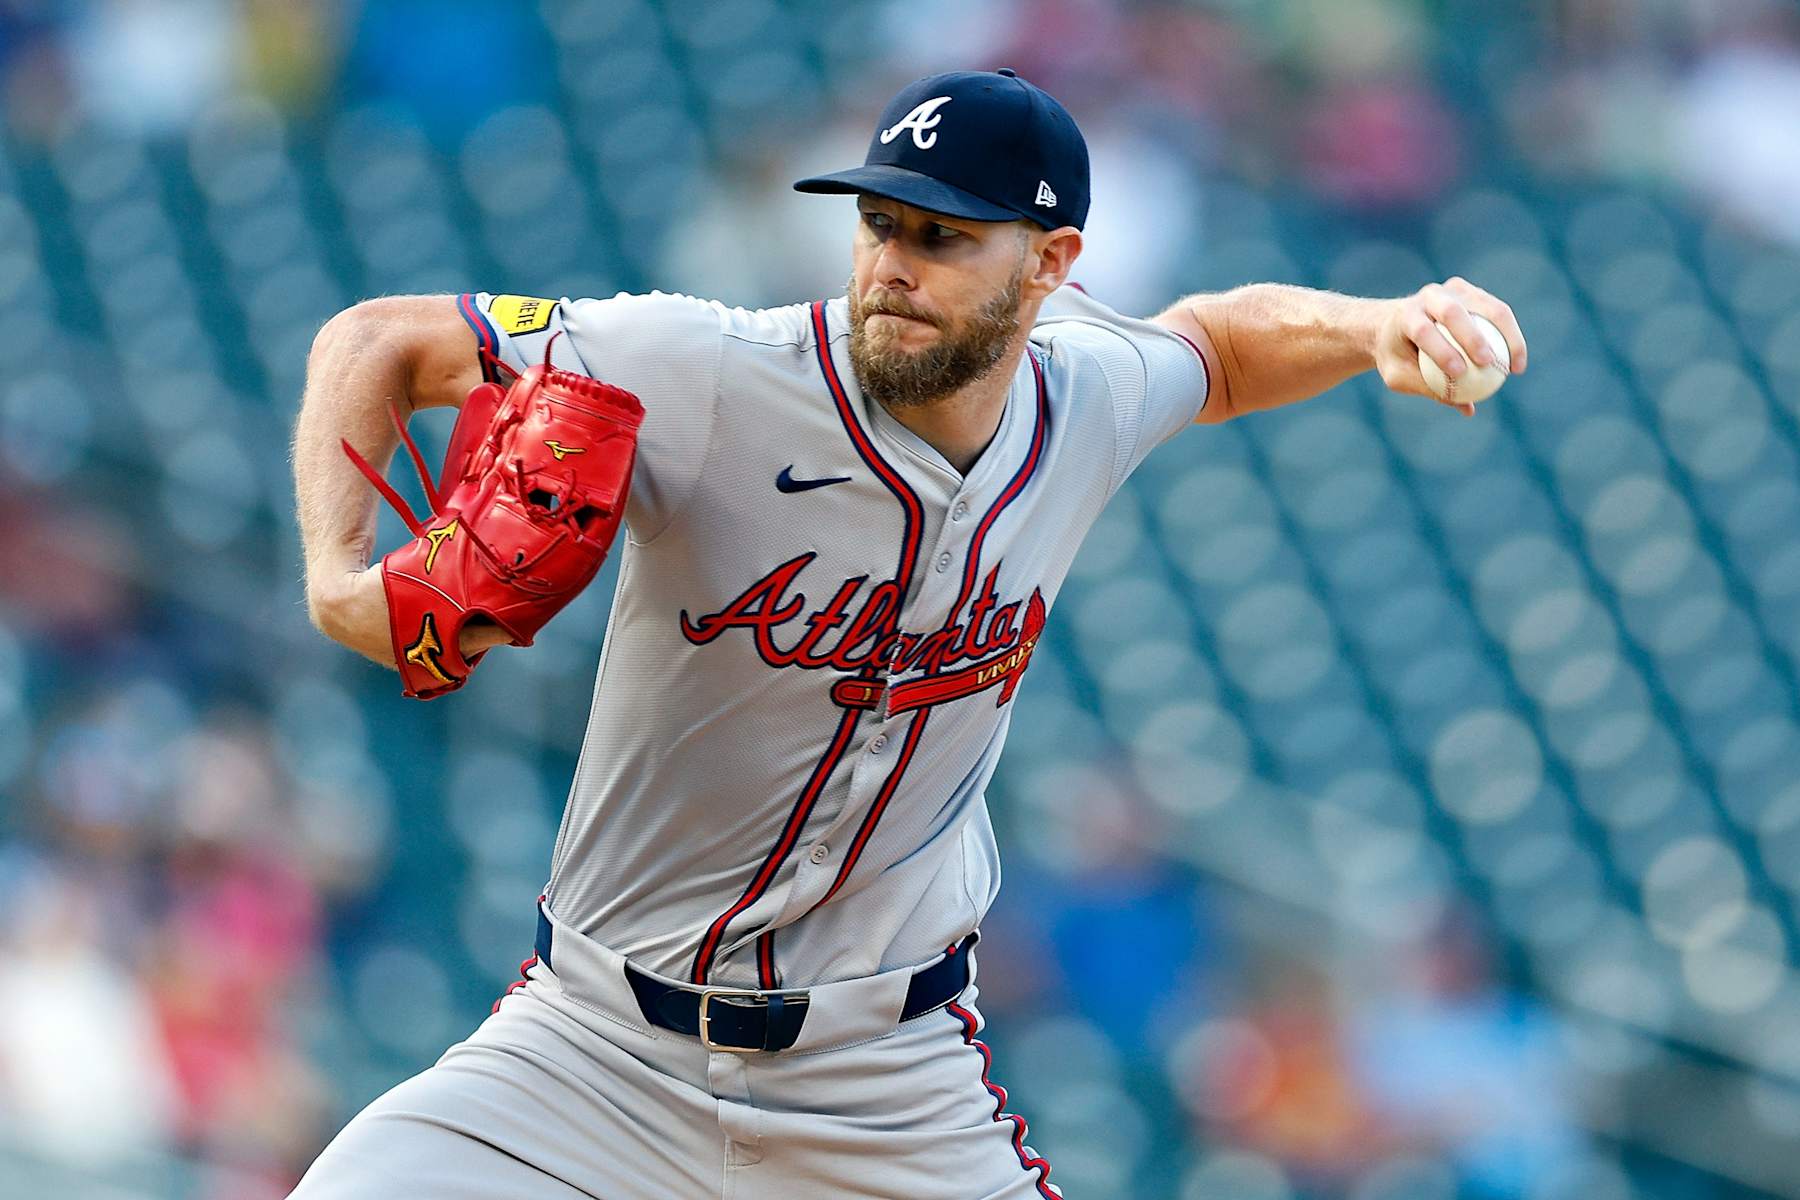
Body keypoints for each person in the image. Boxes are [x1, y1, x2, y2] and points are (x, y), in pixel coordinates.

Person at [289, 68, 1526, 1200]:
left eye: (943, 236)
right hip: (589, 1055)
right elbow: (376, 340)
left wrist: (1375, 327)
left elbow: (1214, 344)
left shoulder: (1085, 394)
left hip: (885, 1092)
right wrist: (340, 578)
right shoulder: (707, 368)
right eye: (880, 222)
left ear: (1052, 264)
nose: (894, 263)